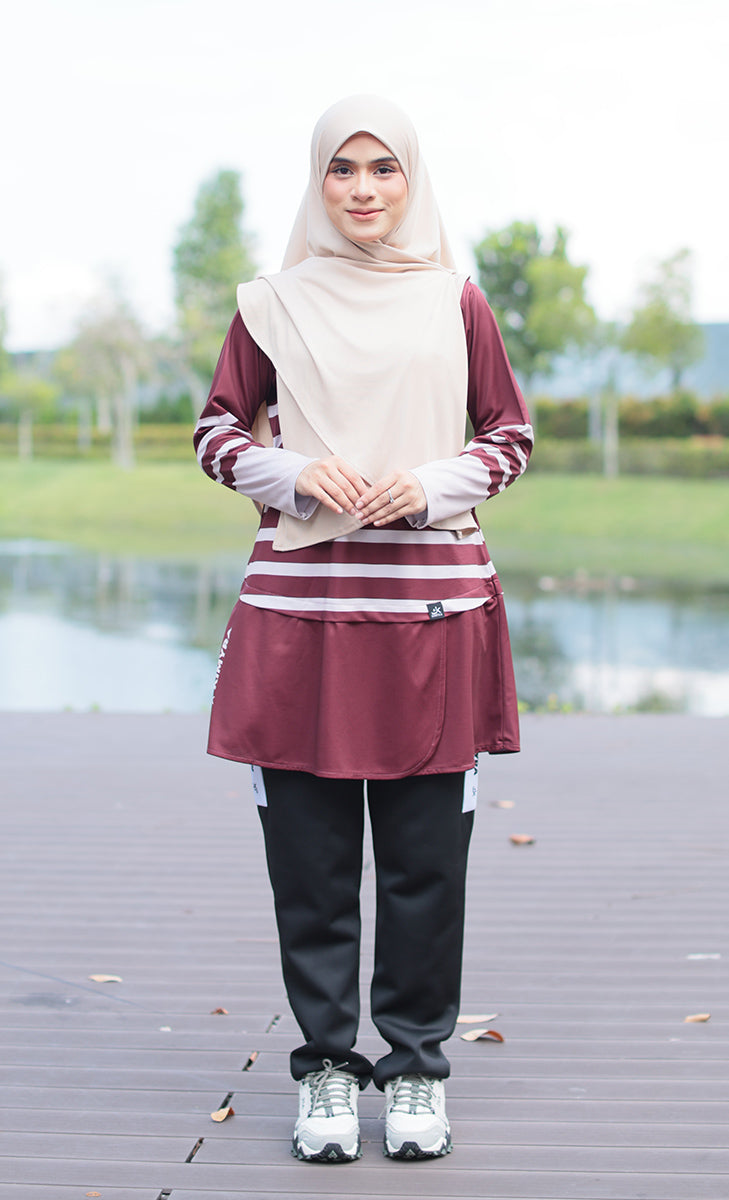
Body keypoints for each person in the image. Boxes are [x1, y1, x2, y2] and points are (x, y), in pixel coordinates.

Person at [193, 94, 533, 1164]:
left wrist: (429, 485)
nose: (363, 188)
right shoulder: (269, 304)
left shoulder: (455, 300)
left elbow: (508, 436)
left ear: (411, 178)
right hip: (301, 617)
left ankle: (417, 1067)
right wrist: (291, 471)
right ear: (317, 182)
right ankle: (329, 1070)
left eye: (384, 167)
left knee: (427, 865)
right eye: (342, 169)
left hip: (432, 613)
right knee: (312, 864)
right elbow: (214, 433)